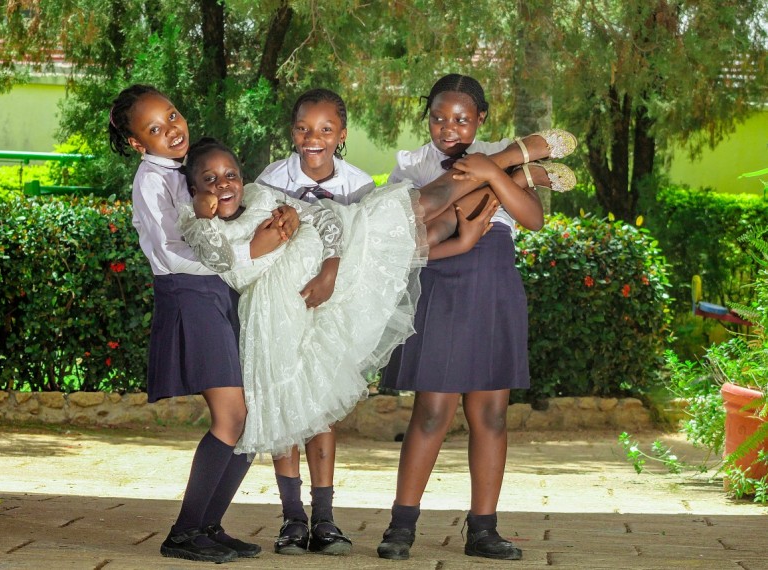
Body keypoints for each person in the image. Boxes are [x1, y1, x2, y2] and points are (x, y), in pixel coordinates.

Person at [178, 135, 510, 557]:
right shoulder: (195, 221)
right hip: (274, 319)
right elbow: (227, 261)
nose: (223, 185)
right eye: (209, 180)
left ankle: (502, 165)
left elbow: (324, 220)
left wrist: (327, 263)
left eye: (230, 175)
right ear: (193, 190)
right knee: (285, 407)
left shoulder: (262, 195)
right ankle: (293, 518)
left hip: (326, 287)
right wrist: (230, 225)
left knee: (408, 219)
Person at [377, 73, 575, 562]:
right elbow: (407, 237)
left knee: (489, 412)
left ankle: (483, 530)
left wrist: (491, 173)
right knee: (431, 412)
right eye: (439, 118)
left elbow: (532, 219)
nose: (449, 128)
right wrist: (496, 174)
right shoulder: (411, 164)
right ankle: (401, 527)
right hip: (440, 277)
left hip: (493, 281)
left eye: (462, 119)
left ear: (481, 119)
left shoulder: (490, 152)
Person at [106, 84, 299, 564]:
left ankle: (207, 526)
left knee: (248, 419)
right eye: (154, 128)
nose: (171, 129)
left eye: (172, 115)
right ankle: (184, 533)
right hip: (190, 296)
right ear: (137, 143)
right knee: (232, 417)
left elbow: (220, 223)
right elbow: (174, 251)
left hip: (215, 294)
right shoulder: (151, 181)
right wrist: (247, 252)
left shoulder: (188, 171)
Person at [252, 88, 377, 556]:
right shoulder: (271, 179)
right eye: (304, 128)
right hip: (280, 304)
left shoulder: (360, 185)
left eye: (326, 130)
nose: (313, 138)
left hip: (333, 306)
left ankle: (324, 520)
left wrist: (333, 276)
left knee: (319, 407)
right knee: (285, 402)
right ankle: (291, 520)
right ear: (292, 131)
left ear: (341, 135)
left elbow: (366, 251)